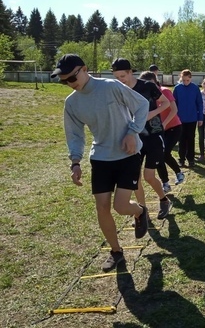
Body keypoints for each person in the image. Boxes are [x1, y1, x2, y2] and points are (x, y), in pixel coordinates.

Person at [52, 54, 150, 272]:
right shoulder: (72, 103)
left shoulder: (111, 86)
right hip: (101, 158)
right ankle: (116, 251)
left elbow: (142, 105)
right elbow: (75, 135)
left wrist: (132, 132)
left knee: (120, 206)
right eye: (64, 80)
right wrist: (75, 162)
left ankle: (140, 211)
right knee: (102, 207)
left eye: (71, 78)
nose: (69, 83)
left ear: (84, 69)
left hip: (128, 155)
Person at [111, 60, 172, 221]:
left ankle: (164, 200)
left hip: (153, 135)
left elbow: (166, 103)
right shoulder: (117, 90)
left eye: (122, 75)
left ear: (131, 72)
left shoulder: (147, 86)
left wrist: (152, 114)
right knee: (135, 178)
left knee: (149, 176)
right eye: (116, 77)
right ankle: (142, 212)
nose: (120, 79)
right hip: (134, 138)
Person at [140, 71, 185, 193]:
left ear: (155, 82)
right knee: (158, 155)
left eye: (151, 84)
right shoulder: (144, 95)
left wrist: (164, 124)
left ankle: (179, 173)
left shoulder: (164, 91)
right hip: (157, 130)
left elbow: (174, 110)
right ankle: (165, 183)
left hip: (173, 127)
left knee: (164, 154)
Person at [173, 69, 203, 168]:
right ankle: (181, 159)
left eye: (187, 80)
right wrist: (174, 117)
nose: (185, 82)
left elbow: (199, 103)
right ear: (181, 79)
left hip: (192, 118)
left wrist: (200, 118)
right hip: (180, 119)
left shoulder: (195, 88)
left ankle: (191, 159)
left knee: (191, 139)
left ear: (191, 78)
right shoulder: (177, 88)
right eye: (184, 80)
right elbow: (174, 104)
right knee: (181, 139)